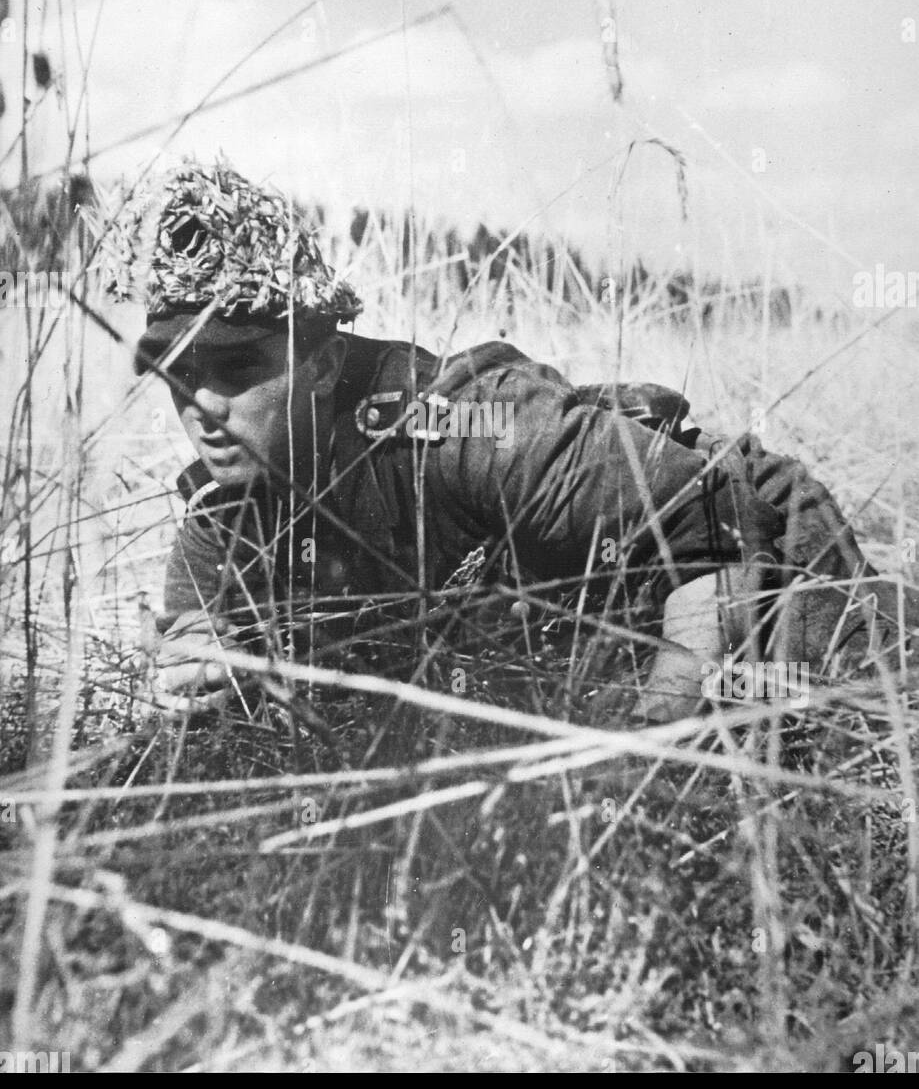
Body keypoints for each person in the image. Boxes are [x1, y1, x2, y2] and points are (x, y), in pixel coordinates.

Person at [133, 161, 915, 724]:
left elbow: (707, 522)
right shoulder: (223, 505)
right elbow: (192, 655)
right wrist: (202, 674)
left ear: (326, 362)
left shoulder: (459, 428)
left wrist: (653, 755)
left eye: (236, 368)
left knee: (856, 707)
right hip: (561, 660)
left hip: (736, 552)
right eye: (177, 375)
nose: (200, 407)